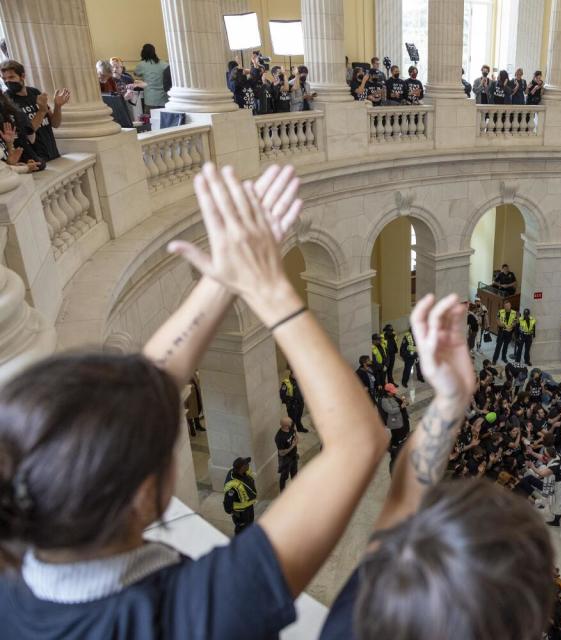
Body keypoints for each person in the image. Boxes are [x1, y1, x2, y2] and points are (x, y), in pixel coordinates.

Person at [0, 162, 396, 636]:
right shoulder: (193, 614)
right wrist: (267, 289)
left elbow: (140, 393)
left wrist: (227, 276)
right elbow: (359, 442)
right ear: (147, 495)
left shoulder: (17, 572)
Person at [319, 293, 557, 640]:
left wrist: (452, 399)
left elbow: (399, 506)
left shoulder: (360, 622)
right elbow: (400, 509)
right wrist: (454, 399)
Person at [1, 59, 68, 162]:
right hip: (35, 160)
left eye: (11, 77)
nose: (7, 82)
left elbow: (55, 123)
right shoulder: (7, 101)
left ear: (22, 76)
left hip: (52, 153)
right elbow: (26, 133)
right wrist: (41, 111)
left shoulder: (34, 92)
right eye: (4, 79)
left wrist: (57, 106)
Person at [223, 456, 258, 534]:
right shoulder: (232, 486)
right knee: (242, 530)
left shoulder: (244, 473)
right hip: (240, 512)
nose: (248, 465)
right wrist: (232, 512)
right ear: (242, 467)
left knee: (249, 525)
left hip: (249, 506)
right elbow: (227, 502)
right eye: (246, 464)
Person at [133, 44, 169, 112]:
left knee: (150, 119)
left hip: (150, 98)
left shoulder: (142, 64)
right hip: (164, 98)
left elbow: (136, 73)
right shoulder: (164, 63)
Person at [279, 368, 308, 432]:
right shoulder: (286, 382)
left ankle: (299, 428)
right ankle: (291, 433)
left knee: (299, 417)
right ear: (291, 374)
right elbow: (282, 395)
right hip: (292, 405)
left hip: (300, 403)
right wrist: (290, 400)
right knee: (292, 420)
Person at [275, 417, 299, 491]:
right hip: (286, 460)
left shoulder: (291, 428)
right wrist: (292, 446)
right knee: (284, 477)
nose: (292, 422)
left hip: (294, 456)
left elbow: (296, 437)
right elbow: (281, 453)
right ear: (285, 425)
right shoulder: (279, 437)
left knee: (294, 474)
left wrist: (296, 440)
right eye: (290, 422)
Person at [492, 300, 517, 365]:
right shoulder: (500, 312)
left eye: (508, 306)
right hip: (502, 331)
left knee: (506, 346)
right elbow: (497, 319)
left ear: (510, 306)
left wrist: (512, 326)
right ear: (504, 306)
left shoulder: (514, 313)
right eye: (506, 306)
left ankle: (504, 357)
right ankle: (494, 359)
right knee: (498, 346)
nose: (507, 307)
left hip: (509, 332)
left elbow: (515, 321)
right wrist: (501, 325)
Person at [185, 372, 205, 436]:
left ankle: (197, 425)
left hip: (194, 389)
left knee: (196, 407)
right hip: (186, 391)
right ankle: (192, 428)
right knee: (189, 410)